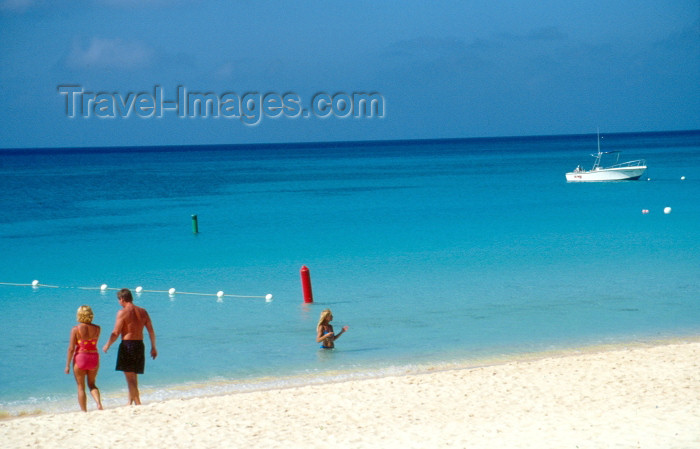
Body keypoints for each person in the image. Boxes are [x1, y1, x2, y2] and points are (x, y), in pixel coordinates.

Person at [103, 288, 157, 405]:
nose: (119, 302)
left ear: (122, 299)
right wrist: (153, 347)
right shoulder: (143, 311)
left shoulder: (122, 312)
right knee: (134, 376)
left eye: (119, 300)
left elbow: (116, 332)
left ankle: (138, 402)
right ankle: (130, 401)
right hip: (140, 345)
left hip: (128, 345)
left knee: (130, 377)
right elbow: (151, 331)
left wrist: (107, 344)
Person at [65, 305, 103, 411]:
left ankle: (84, 411)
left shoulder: (75, 329)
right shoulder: (97, 328)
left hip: (81, 357)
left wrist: (67, 365)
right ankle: (98, 403)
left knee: (81, 387)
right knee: (92, 384)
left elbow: (71, 348)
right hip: (94, 357)